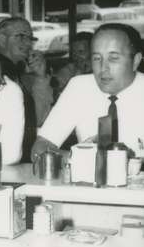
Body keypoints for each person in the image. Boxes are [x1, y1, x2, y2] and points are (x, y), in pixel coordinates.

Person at [31, 23, 144, 159]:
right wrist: (83, 159)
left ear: (136, 61)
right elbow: (39, 149)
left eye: (113, 58)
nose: (103, 68)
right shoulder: (79, 87)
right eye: (97, 58)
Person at [0, 16, 53, 160]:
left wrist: (40, 77)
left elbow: (37, 118)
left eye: (30, 38)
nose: (27, 43)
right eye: (20, 36)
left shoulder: (18, 71)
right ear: (2, 39)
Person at [52, 31, 92, 96]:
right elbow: (57, 91)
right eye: (73, 52)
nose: (76, 56)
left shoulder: (101, 71)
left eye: (81, 52)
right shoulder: (69, 70)